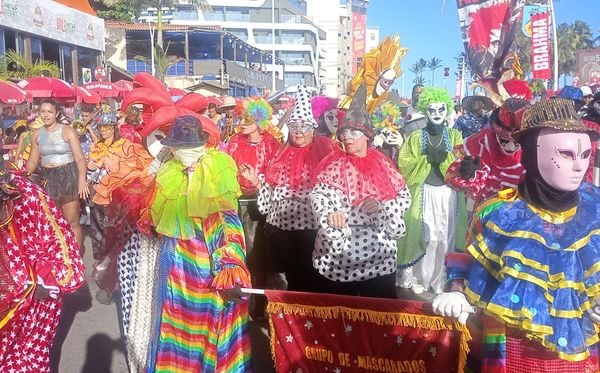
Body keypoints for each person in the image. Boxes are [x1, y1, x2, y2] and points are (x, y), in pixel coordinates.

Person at [433, 98, 600, 372]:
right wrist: (457, 292)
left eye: (584, 155)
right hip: (511, 354)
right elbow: (471, 259)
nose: (579, 166)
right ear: (533, 154)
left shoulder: (596, 209)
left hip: (581, 355)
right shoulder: (498, 212)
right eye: (566, 154)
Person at [144, 115, 252, 372]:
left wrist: (229, 266)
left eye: (185, 147)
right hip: (177, 267)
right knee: (177, 324)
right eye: (177, 147)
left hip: (207, 266)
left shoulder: (216, 168)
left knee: (208, 326)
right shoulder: (171, 170)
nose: (180, 152)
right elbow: (162, 221)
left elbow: (227, 223)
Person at [311, 85, 411, 298]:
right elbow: (318, 194)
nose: (348, 137)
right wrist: (330, 212)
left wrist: (382, 206)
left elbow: (403, 197)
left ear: (367, 136)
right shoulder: (332, 164)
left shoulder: (383, 164)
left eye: (354, 133)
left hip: (378, 255)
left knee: (377, 315)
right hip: (339, 255)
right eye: (345, 132)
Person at [240, 85, 334, 292]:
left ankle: (304, 322)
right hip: (278, 231)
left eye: (303, 127)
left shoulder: (324, 153)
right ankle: (281, 321)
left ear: (312, 129)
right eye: (294, 127)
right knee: (278, 282)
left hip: (309, 232)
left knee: (307, 281)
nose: (298, 132)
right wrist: (256, 181)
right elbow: (269, 194)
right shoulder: (280, 154)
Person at [0, 157, 85, 372]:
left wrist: (46, 279)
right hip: (12, 285)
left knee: (27, 353)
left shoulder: (28, 194)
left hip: (33, 283)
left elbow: (55, 235)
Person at [86, 112, 153, 331]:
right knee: (99, 238)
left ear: (115, 127)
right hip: (97, 196)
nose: (105, 130)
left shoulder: (127, 146)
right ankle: (105, 274)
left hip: (119, 199)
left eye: (108, 127)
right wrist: (91, 168)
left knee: (115, 237)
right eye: (102, 127)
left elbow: (140, 167)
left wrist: (115, 164)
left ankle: (115, 279)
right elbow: (88, 171)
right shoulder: (95, 147)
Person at [396, 87, 466, 295]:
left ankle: (442, 278)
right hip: (424, 194)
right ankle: (420, 277)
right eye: (432, 110)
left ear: (447, 110)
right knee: (425, 235)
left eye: (440, 109)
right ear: (426, 111)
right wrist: (427, 159)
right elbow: (404, 163)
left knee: (446, 236)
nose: (436, 114)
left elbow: (461, 163)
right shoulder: (416, 137)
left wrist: (447, 160)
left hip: (448, 195)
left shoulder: (455, 136)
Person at [227, 97, 280, 318]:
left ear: (259, 121)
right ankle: (245, 305)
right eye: (241, 118)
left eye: (248, 119)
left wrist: (259, 182)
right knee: (242, 255)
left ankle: (262, 305)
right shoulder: (234, 143)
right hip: (239, 203)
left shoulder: (272, 145)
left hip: (264, 205)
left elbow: (276, 176)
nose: (242, 122)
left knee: (261, 256)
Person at [445, 98, 530, 214]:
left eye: (517, 140)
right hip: (485, 212)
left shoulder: (536, 150)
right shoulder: (481, 144)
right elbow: (452, 177)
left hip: (521, 215)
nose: (510, 146)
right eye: (505, 139)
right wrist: (471, 176)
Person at [26, 99, 90, 251]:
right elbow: (33, 162)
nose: (46, 115)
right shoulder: (36, 134)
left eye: (50, 111)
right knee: (51, 221)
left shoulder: (67, 130)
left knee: (72, 220)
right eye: (43, 111)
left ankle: (75, 258)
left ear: (57, 113)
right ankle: (59, 256)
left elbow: (80, 158)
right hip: (47, 178)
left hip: (68, 176)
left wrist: (82, 180)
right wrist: (22, 176)